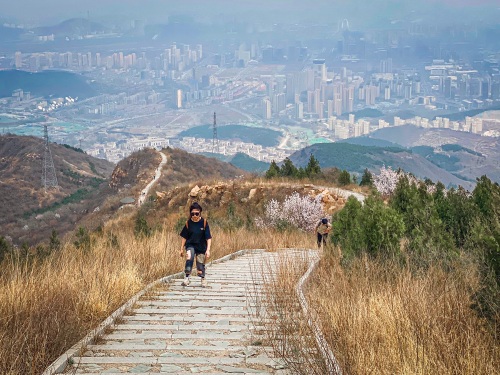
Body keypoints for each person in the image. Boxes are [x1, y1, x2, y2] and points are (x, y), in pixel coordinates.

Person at [179, 202, 212, 287]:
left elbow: (208, 238)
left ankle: (203, 279)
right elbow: (184, 237)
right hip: (191, 245)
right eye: (192, 214)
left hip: (201, 246)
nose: (194, 215)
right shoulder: (188, 223)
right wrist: (181, 249)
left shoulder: (204, 222)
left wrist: (208, 250)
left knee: (200, 265)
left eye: (197, 214)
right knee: (189, 258)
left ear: (200, 213)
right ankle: (186, 278)